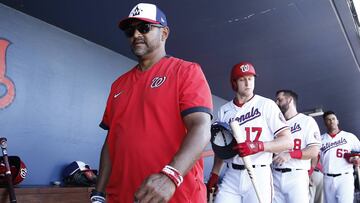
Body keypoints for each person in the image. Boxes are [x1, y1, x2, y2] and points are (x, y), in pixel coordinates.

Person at [91, 3, 213, 203]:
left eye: (145, 28)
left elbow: (201, 127)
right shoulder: (118, 85)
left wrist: (171, 176)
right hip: (122, 197)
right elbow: (111, 142)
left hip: (175, 196)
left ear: (164, 33)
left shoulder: (186, 71)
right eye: (130, 31)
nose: (136, 34)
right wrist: (99, 192)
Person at [206, 62, 293, 203]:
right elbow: (221, 146)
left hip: (259, 173)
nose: (248, 83)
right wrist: (215, 174)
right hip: (232, 174)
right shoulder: (224, 110)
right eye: (242, 79)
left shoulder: (266, 105)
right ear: (234, 83)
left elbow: (287, 141)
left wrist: (258, 146)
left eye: (250, 78)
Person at [272, 90, 321, 203]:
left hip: (296, 176)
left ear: (289, 100)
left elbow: (314, 151)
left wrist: (290, 154)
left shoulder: (307, 121)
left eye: (280, 99)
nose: (277, 103)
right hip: (275, 175)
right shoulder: (276, 123)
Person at [320, 111, 360, 203]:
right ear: (325, 123)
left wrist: (357, 158)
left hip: (344, 177)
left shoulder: (349, 136)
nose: (331, 121)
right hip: (327, 178)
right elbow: (315, 157)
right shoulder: (321, 139)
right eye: (328, 120)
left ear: (337, 121)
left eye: (333, 119)